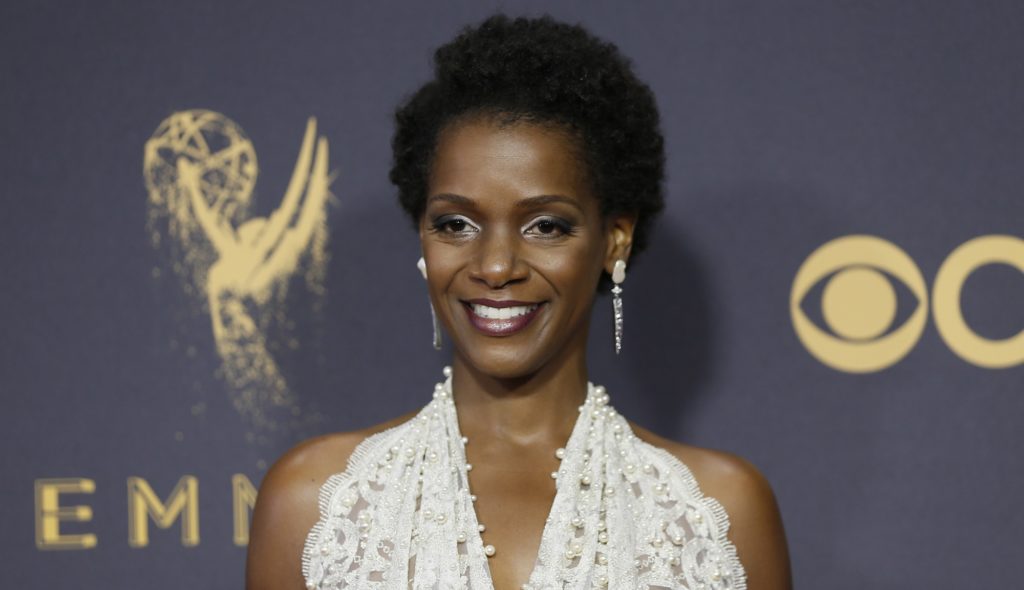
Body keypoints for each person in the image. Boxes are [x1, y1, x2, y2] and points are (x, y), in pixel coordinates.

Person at [247, 14, 791, 590]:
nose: (495, 266)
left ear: (614, 239)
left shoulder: (719, 513)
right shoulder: (311, 504)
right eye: (455, 223)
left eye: (545, 226)